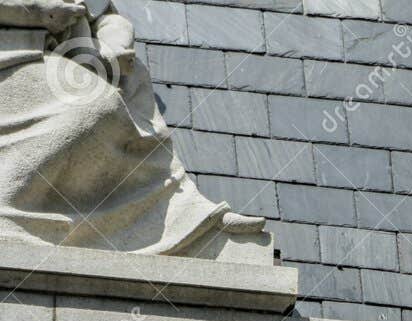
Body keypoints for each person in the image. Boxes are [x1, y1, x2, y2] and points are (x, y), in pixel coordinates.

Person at [0, 0, 266, 255]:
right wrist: (32, 12)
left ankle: (180, 211)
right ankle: (8, 206)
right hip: (13, 58)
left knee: (124, 96)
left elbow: (107, 17)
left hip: (70, 59)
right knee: (95, 105)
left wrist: (115, 45)